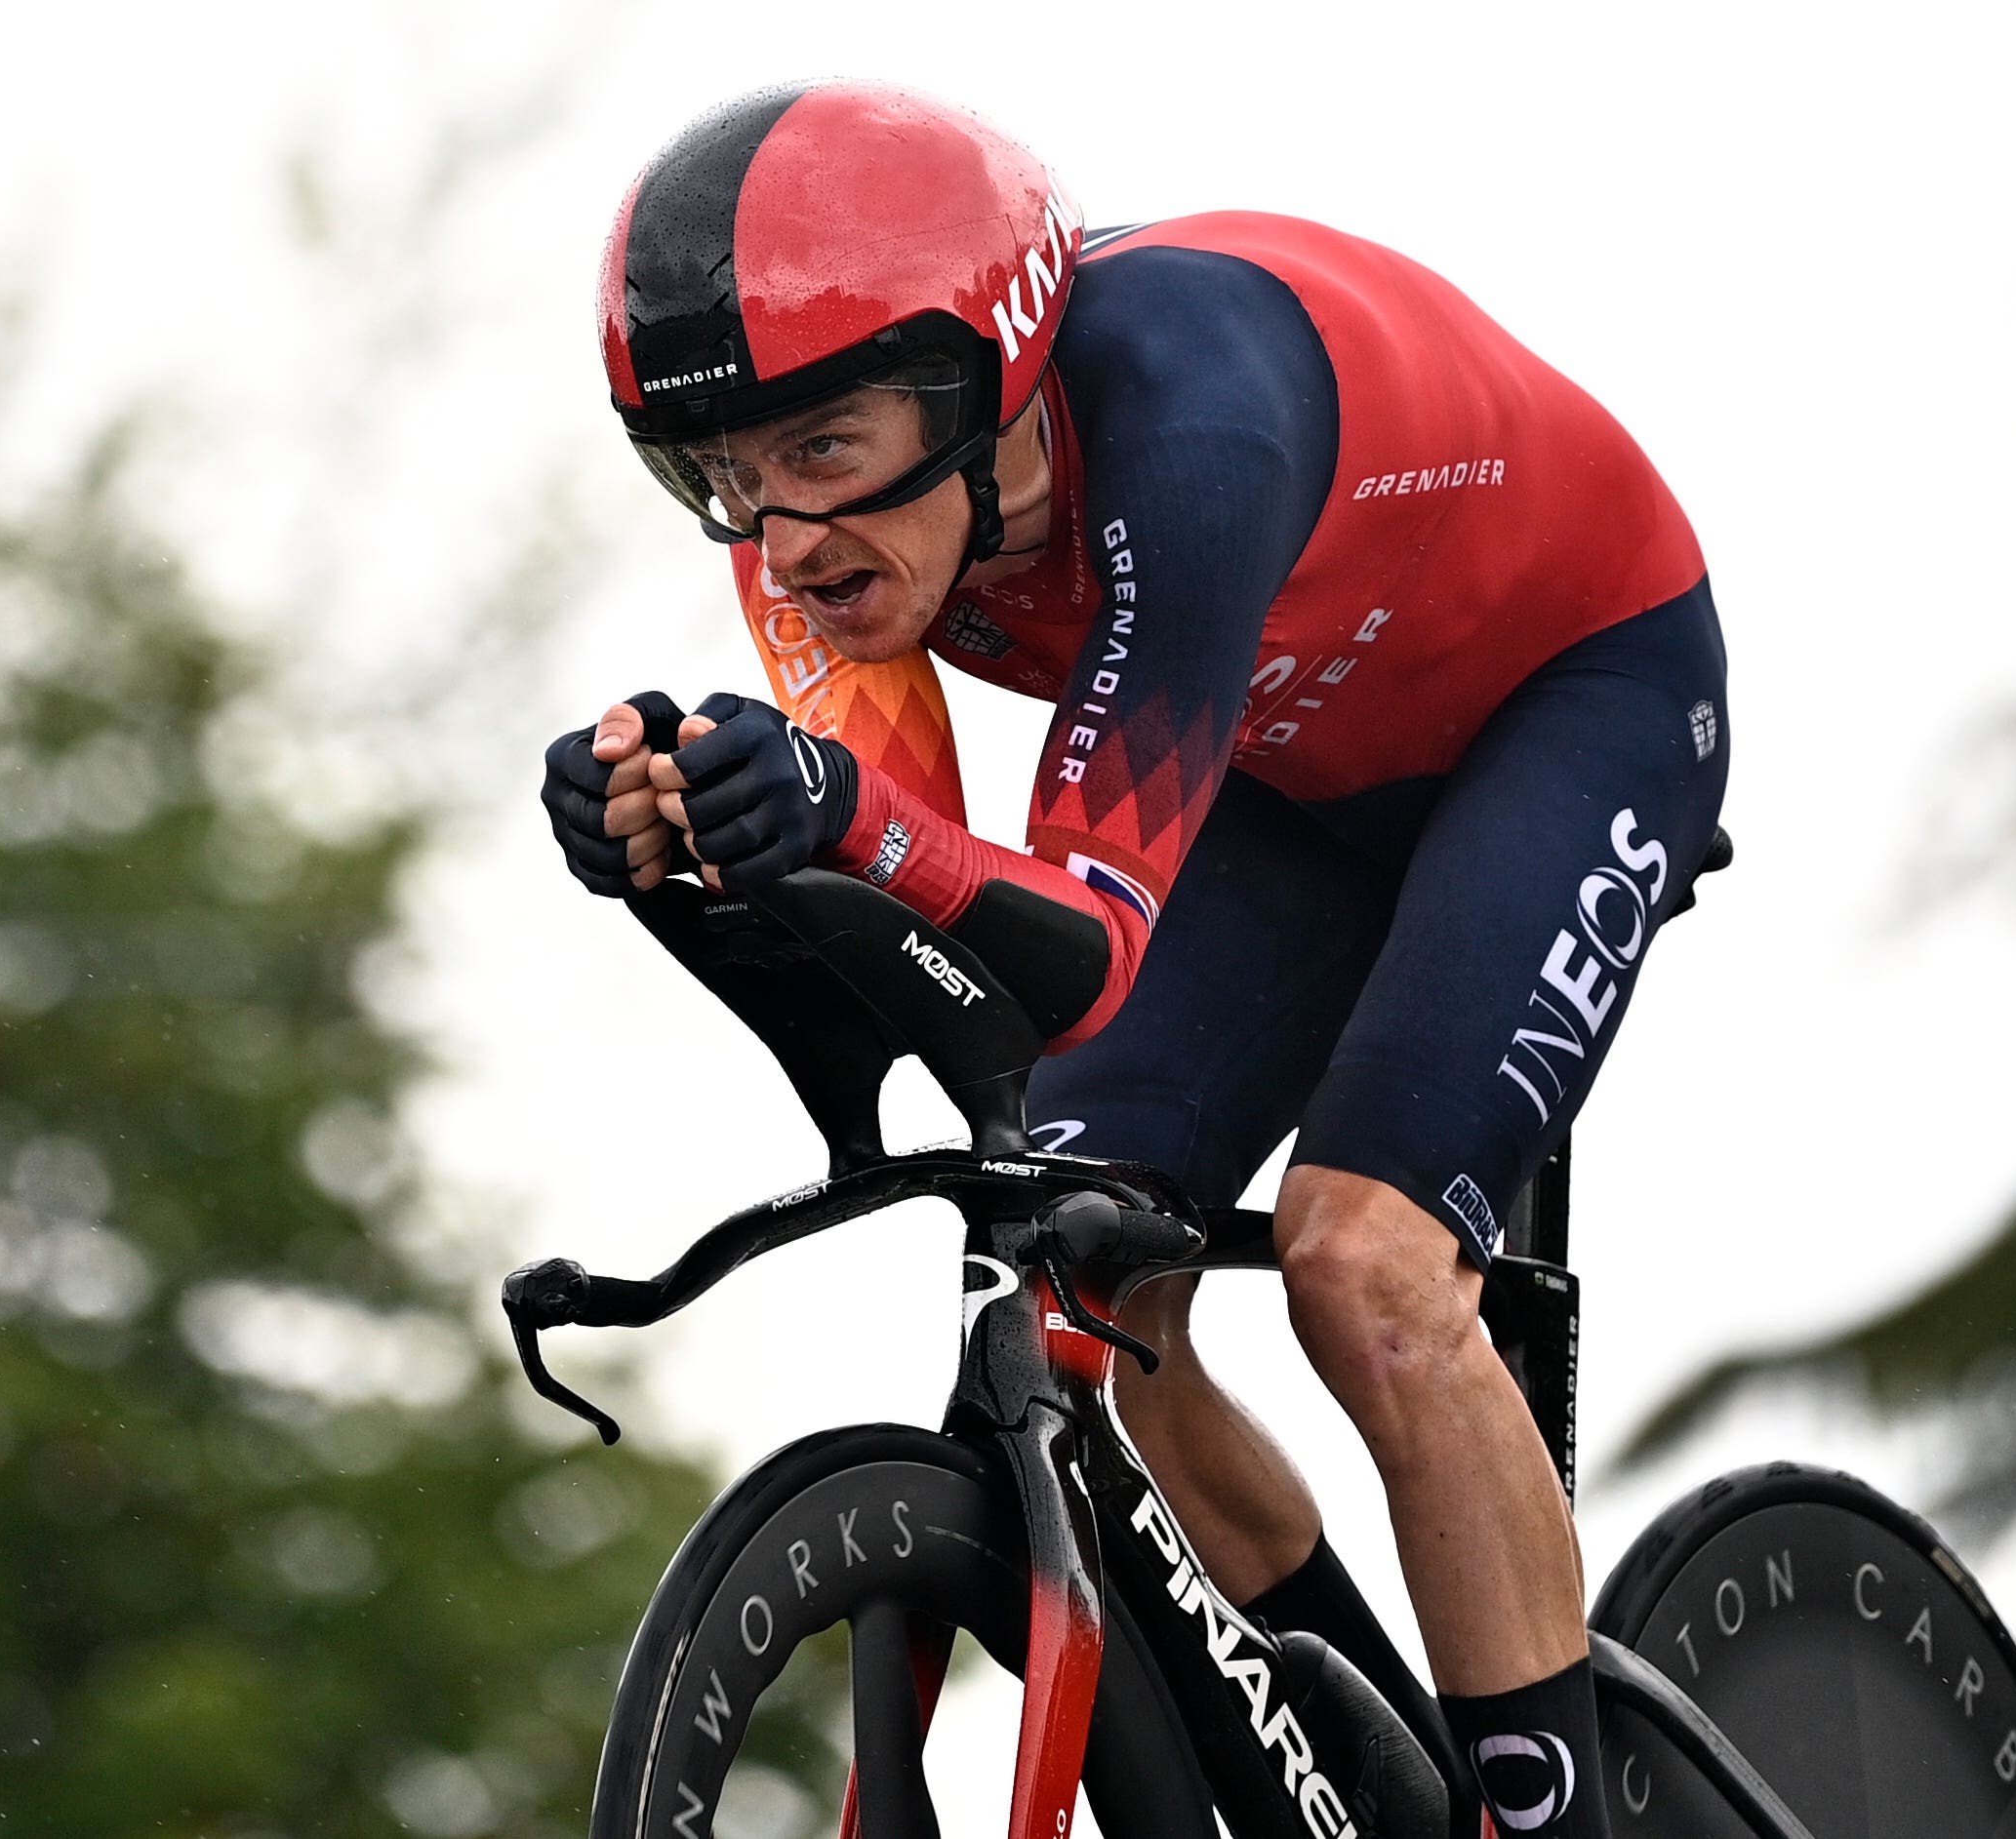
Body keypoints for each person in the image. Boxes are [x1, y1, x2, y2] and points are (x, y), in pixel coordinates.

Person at [544, 79, 1727, 1839]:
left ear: (976, 385)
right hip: (1288, 771)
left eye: (822, 450)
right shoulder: (829, 534)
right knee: (1079, 1262)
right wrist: (696, 855)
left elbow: (1077, 941)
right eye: (720, 474)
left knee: (1365, 1266)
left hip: (1571, 701)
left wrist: (842, 818)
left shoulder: (1195, 422)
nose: (781, 537)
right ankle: (1374, 1772)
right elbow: (932, 928)